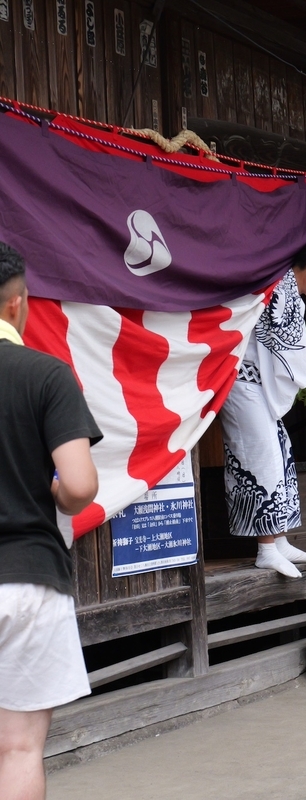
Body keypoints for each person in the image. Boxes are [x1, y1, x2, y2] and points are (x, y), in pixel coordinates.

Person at [0, 242, 102, 800]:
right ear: (17, 305)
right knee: (17, 747)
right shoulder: (45, 375)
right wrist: (58, 490)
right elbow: (81, 486)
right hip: (28, 576)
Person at [220, 242, 306, 577]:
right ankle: (265, 549)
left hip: (255, 385)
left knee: (280, 454)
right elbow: (296, 344)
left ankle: (279, 539)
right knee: (260, 459)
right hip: (241, 382)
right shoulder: (282, 288)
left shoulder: (287, 289)